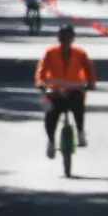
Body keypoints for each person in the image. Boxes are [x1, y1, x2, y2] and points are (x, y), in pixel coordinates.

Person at [35, 24, 96, 158]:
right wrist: (40, 84)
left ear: (72, 38)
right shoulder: (50, 52)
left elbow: (88, 69)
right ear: (58, 38)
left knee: (79, 106)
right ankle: (51, 141)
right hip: (54, 92)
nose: (65, 41)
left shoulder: (80, 53)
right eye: (62, 38)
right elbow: (41, 70)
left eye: (68, 38)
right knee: (50, 114)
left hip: (74, 91)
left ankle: (80, 132)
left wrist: (91, 83)